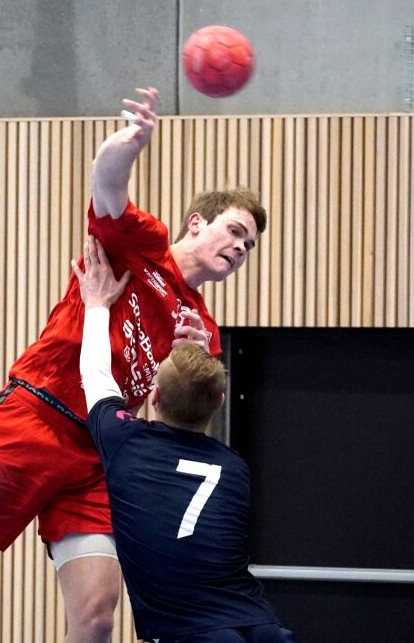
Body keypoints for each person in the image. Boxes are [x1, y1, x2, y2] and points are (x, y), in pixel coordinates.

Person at [0, 87, 267, 643]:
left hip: (97, 455)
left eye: (249, 246)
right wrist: (131, 141)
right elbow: (106, 182)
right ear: (197, 223)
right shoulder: (144, 246)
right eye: (234, 230)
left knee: (96, 616)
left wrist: (191, 360)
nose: (239, 248)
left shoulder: (199, 327)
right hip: (32, 422)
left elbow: (179, 417)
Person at [74, 235, 295, 643]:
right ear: (221, 403)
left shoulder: (125, 442)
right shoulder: (235, 469)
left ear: (152, 397)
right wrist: (198, 362)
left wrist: (96, 305)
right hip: (260, 624)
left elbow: (96, 373)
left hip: (190, 631)